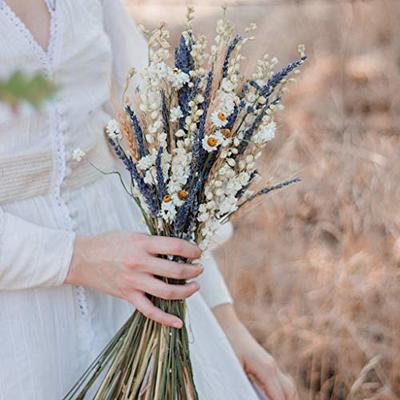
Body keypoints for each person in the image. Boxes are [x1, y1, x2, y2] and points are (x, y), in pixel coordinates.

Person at [0, 0, 298, 399]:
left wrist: (225, 320)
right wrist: (78, 258)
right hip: (21, 315)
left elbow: (162, 154)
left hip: (131, 272)